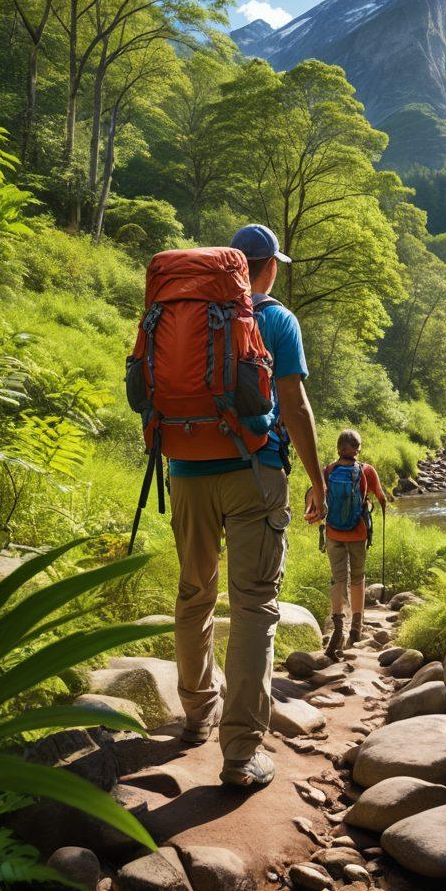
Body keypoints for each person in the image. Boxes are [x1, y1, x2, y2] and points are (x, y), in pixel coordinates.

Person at [168, 224, 327, 788]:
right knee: (255, 607)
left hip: (185, 470)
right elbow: (294, 401)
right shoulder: (277, 319)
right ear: (270, 267)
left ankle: (194, 717)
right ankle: (239, 754)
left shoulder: (184, 312)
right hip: (254, 473)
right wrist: (317, 478)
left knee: (195, 593)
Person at [306, 428, 388, 660]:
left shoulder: (328, 470)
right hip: (358, 533)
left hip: (333, 533)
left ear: (339, 448)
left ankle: (338, 627)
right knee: (358, 578)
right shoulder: (366, 471)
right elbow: (381, 497)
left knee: (337, 579)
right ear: (357, 449)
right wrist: (381, 505)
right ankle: (356, 628)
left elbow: (314, 495)